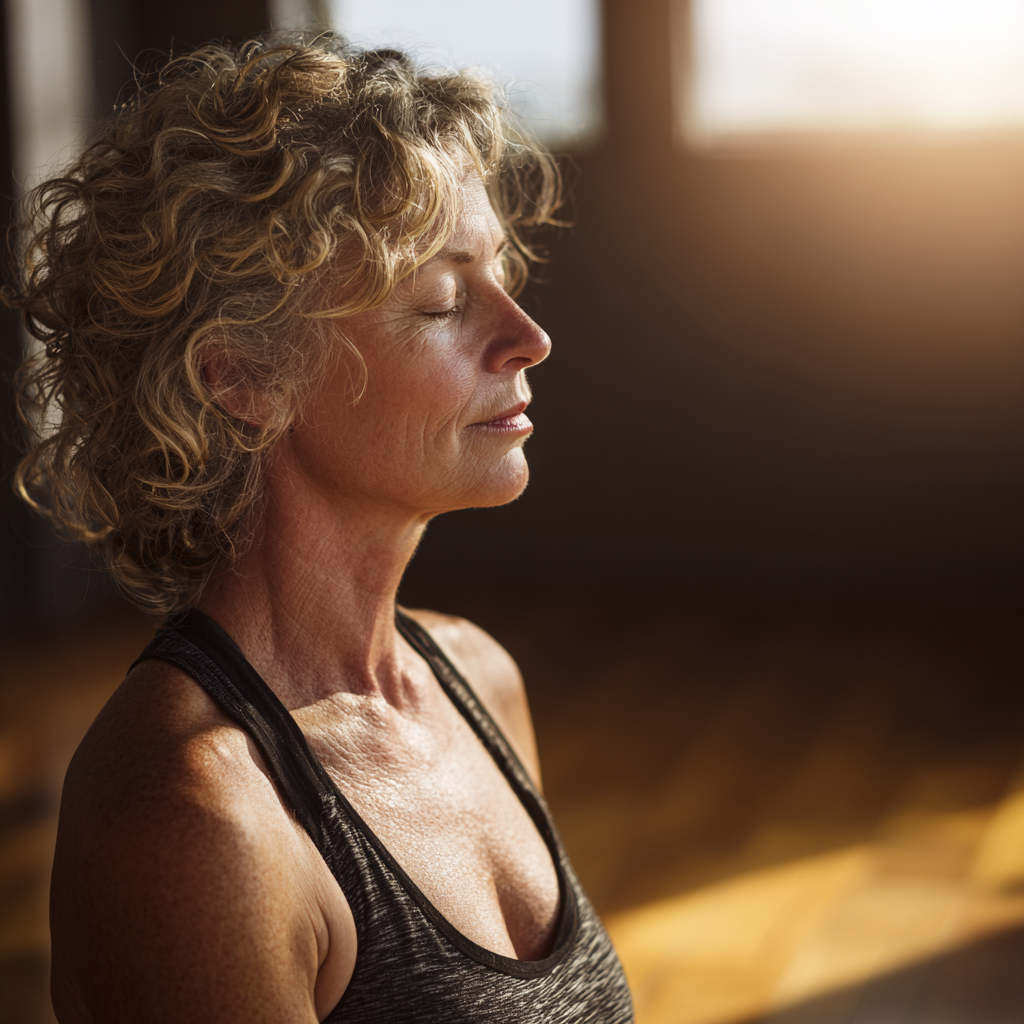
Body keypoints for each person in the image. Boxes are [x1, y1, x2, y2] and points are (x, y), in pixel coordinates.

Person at [7, 34, 634, 1023]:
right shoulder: (197, 819)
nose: (527, 336)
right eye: (440, 299)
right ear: (245, 379)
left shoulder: (478, 679)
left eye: (503, 274)